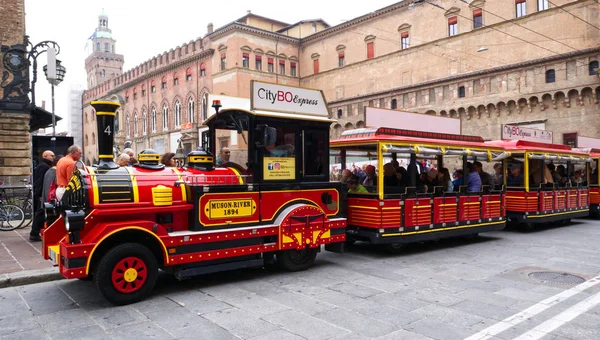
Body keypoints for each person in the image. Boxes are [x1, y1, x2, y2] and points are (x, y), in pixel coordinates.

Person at [30, 150, 55, 241]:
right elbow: (40, 181)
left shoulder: (44, 165)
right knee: (40, 213)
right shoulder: (43, 166)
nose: (53, 157)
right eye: (51, 155)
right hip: (41, 194)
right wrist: (40, 194)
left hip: (42, 193)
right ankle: (34, 233)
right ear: (45, 156)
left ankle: (36, 232)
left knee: (41, 213)